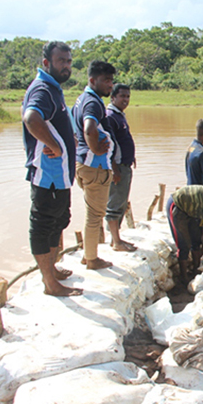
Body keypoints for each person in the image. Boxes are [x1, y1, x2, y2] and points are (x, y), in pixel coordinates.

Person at [22, 41, 82, 297]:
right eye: (61, 62)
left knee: (60, 220)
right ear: (47, 63)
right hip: (47, 176)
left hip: (60, 177)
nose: (67, 66)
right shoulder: (43, 88)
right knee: (44, 224)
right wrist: (55, 144)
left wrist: (69, 140)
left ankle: (52, 269)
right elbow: (31, 118)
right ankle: (49, 283)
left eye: (69, 61)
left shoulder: (53, 89)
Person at [72, 60, 116, 270]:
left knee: (92, 211)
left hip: (83, 164)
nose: (110, 85)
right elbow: (89, 128)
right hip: (95, 166)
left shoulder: (80, 100)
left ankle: (87, 254)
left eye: (111, 81)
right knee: (95, 215)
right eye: (106, 81)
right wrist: (96, 149)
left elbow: (75, 132)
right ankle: (91, 259)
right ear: (92, 80)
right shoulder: (92, 102)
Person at [104, 83, 137, 253]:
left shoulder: (119, 115)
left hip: (125, 165)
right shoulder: (110, 116)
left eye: (128, 96)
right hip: (118, 168)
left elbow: (123, 140)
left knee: (122, 203)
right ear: (113, 97)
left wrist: (131, 157)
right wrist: (114, 168)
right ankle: (116, 241)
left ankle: (115, 239)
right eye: (122, 96)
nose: (125, 99)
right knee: (115, 203)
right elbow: (109, 145)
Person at [166, 185, 203, 281]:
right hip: (177, 205)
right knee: (183, 243)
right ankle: (184, 278)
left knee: (195, 240)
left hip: (192, 208)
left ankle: (195, 270)